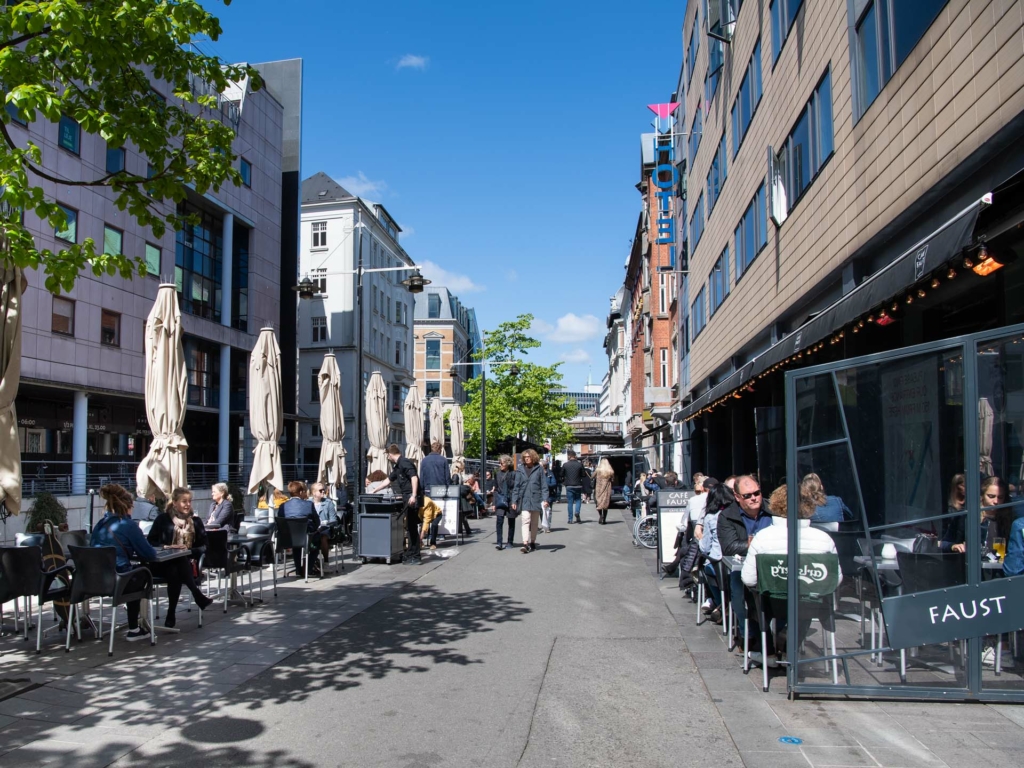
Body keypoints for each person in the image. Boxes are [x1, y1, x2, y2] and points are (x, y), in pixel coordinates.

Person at [741, 484, 842, 666]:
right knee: (806, 597)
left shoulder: (763, 537)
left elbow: (748, 579)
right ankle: (790, 647)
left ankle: (768, 651)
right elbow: (835, 578)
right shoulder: (824, 539)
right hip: (809, 606)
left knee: (752, 595)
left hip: (772, 605)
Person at [91, 484, 163, 641]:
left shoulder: (99, 526)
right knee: (142, 572)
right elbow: (149, 554)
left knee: (133, 571)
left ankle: (134, 625)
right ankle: (134, 628)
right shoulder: (128, 525)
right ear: (128, 506)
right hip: (118, 581)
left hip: (94, 581)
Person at [146, 487, 215, 627]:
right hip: (161, 564)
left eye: (190, 501)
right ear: (175, 502)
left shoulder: (195, 521)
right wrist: (168, 547)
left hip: (186, 563)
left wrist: (188, 551)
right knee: (175, 563)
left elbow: (204, 546)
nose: (188, 504)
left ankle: (171, 614)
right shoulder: (162, 519)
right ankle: (197, 595)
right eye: (184, 501)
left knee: (176, 567)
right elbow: (151, 541)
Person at [718, 475, 774, 647]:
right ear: (737, 497)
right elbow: (729, 547)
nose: (754, 498)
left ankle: (778, 636)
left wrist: (754, 544)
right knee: (739, 587)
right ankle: (748, 636)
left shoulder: (774, 509)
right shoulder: (727, 516)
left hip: (772, 565)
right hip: (743, 566)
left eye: (756, 493)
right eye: (747, 495)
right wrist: (754, 545)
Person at [373, 444, 423, 564]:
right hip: (408, 497)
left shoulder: (404, 463)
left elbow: (414, 478)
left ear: (390, 454)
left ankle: (415, 555)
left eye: (388, 456)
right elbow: (389, 480)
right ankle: (411, 553)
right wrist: (375, 490)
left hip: (411, 497)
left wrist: (413, 495)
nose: (388, 459)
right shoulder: (398, 466)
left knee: (411, 527)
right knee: (410, 527)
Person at [698, 483, 735, 623]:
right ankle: (724, 605)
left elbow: (705, 547)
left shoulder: (711, 517)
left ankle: (721, 603)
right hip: (734, 561)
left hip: (717, 564)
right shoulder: (735, 514)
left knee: (707, 567)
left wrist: (699, 537)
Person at [280, 480, 326, 577]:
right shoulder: (308, 505)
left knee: (297, 543)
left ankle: (298, 569)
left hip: (287, 540)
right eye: (305, 491)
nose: (306, 493)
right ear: (301, 492)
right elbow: (317, 522)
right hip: (306, 538)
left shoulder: (282, 506)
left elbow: (280, 522)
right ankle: (307, 569)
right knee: (317, 541)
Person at [513, 449, 546, 553]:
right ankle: (525, 543)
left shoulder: (539, 469)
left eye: (529, 456)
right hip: (524, 499)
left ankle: (533, 541)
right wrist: (514, 501)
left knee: (535, 522)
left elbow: (544, 486)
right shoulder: (520, 469)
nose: (526, 458)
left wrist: (545, 499)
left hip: (536, 498)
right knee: (525, 520)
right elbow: (516, 486)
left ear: (533, 457)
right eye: (525, 457)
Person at [493, 455, 517, 550]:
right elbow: (495, 488)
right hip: (500, 499)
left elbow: (515, 488)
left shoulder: (513, 473)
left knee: (511, 521)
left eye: (502, 463)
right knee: (499, 521)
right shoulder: (497, 474)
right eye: (500, 463)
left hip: (510, 499)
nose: (500, 465)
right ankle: (499, 542)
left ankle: (510, 542)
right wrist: (494, 503)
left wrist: (515, 501)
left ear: (507, 463)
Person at [939, 473, 967, 551]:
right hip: (949, 540)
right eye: (963, 486)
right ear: (956, 486)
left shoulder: (968, 504)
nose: (965, 489)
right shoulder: (947, 505)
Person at [562, 450, 585, 524]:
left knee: (570, 502)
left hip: (569, 485)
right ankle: (577, 512)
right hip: (578, 484)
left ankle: (570, 519)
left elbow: (561, 474)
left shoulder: (565, 465)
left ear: (569, 456)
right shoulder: (579, 464)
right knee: (578, 500)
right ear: (575, 456)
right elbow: (583, 474)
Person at [594, 458, 615, 524]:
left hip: (599, 488)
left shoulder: (598, 470)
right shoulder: (610, 471)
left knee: (599, 503)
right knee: (605, 504)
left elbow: (592, 476)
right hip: (607, 488)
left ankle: (601, 516)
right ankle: (604, 519)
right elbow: (613, 479)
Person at [540, 460, 556, 533]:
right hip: (539, 495)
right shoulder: (537, 474)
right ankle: (544, 525)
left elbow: (554, 483)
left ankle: (548, 526)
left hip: (549, 494)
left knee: (548, 511)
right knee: (541, 511)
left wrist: (546, 485)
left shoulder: (550, 473)